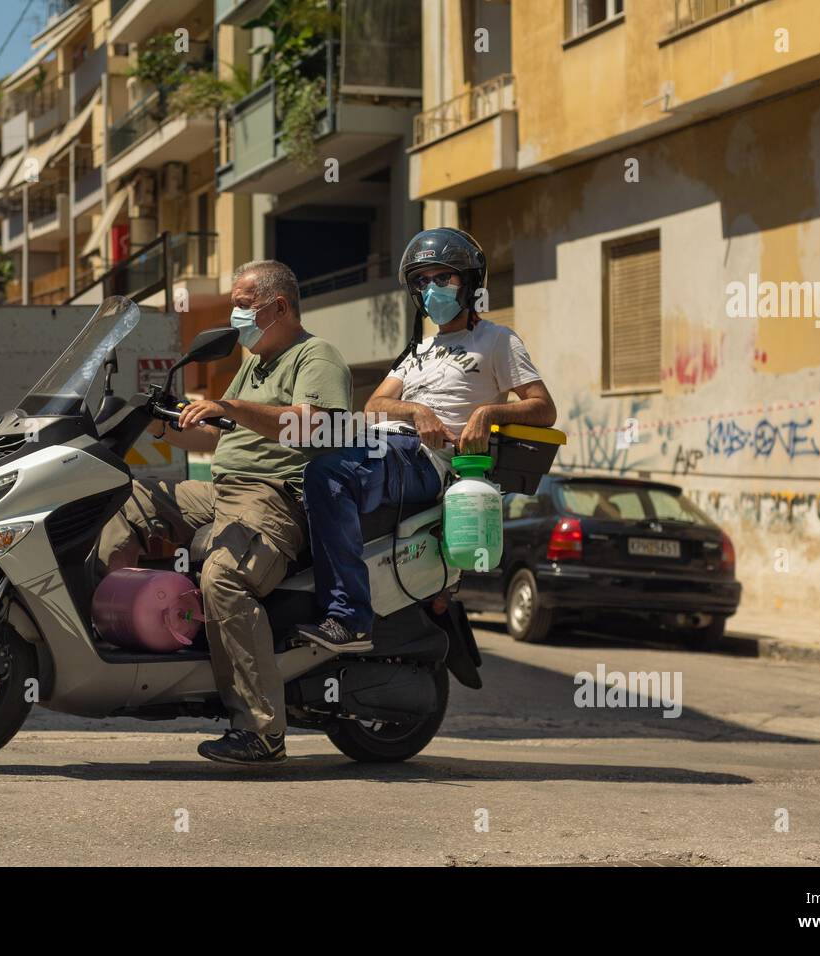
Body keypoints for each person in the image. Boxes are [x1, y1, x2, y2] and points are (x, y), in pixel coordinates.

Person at [95, 260, 352, 765]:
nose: (236, 315)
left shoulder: (314, 356)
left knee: (225, 576)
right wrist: (163, 421)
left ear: (277, 306)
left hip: (274, 496)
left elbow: (313, 426)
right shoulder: (254, 362)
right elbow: (216, 436)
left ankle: (260, 730)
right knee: (126, 500)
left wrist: (229, 407)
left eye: (242, 304)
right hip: (220, 489)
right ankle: (121, 640)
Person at [297, 227, 556, 652]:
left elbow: (543, 408)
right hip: (387, 445)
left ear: (469, 283)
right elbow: (375, 405)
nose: (431, 289)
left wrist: (486, 413)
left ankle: (348, 619)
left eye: (443, 278)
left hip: (428, 461)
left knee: (330, 475)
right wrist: (417, 411)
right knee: (299, 468)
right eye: (422, 281)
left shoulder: (496, 340)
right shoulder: (417, 351)